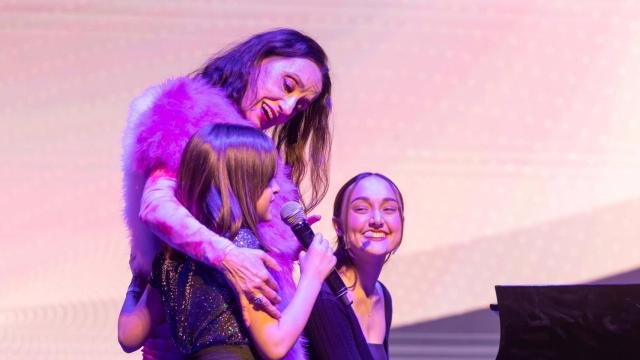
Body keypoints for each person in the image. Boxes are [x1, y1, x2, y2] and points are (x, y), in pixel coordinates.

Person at [119, 28, 332, 357]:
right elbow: (156, 205)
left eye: (301, 106)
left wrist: (280, 238)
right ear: (258, 60)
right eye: (287, 85)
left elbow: (129, 334)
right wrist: (231, 256)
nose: (288, 106)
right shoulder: (192, 121)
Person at [119, 124, 336, 359]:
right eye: (266, 180)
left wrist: (138, 280)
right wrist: (312, 276)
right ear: (238, 185)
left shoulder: (172, 255)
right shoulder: (242, 249)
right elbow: (275, 344)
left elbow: (129, 334)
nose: (275, 189)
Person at [304, 173, 404, 360]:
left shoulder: (382, 295)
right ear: (338, 226)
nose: (377, 220)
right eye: (361, 209)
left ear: (402, 222)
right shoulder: (326, 296)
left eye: (389, 209)